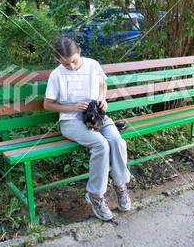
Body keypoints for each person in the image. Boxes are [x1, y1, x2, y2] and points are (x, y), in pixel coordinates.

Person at [44, 36, 131, 221]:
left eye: (74, 61)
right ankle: (96, 196)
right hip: (70, 121)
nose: (72, 67)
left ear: (80, 52)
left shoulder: (92, 65)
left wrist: (102, 98)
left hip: (96, 115)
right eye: (66, 64)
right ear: (58, 61)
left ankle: (120, 186)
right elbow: (48, 105)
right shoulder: (56, 75)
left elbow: (102, 84)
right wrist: (71, 108)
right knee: (101, 145)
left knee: (116, 141)